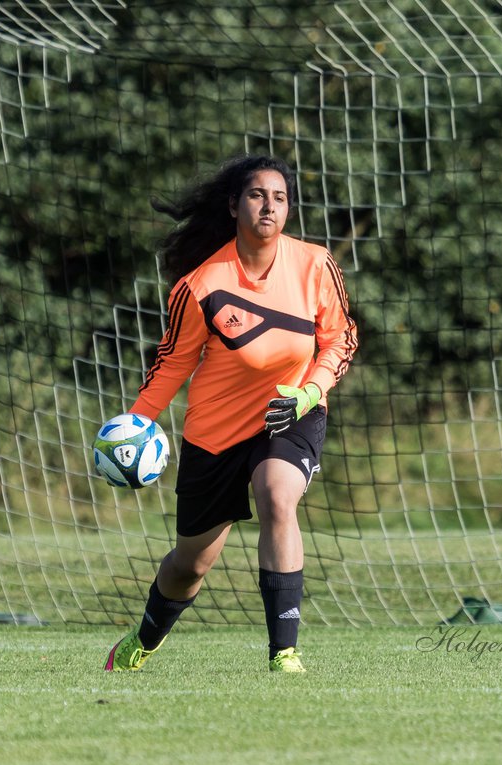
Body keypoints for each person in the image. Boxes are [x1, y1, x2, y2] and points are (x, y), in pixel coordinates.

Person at [104, 154, 358, 673]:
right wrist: (134, 425)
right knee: (190, 564)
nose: (269, 206)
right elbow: (172, 365)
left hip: (289, 411)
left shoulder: (315, 265)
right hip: (215, 430)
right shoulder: (200, 285)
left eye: (280, 197)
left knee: (276, 495)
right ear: (234, 206)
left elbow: (341, 339)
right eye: (257, 195)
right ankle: (145, 638)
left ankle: (283, 652)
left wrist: (310, 391)